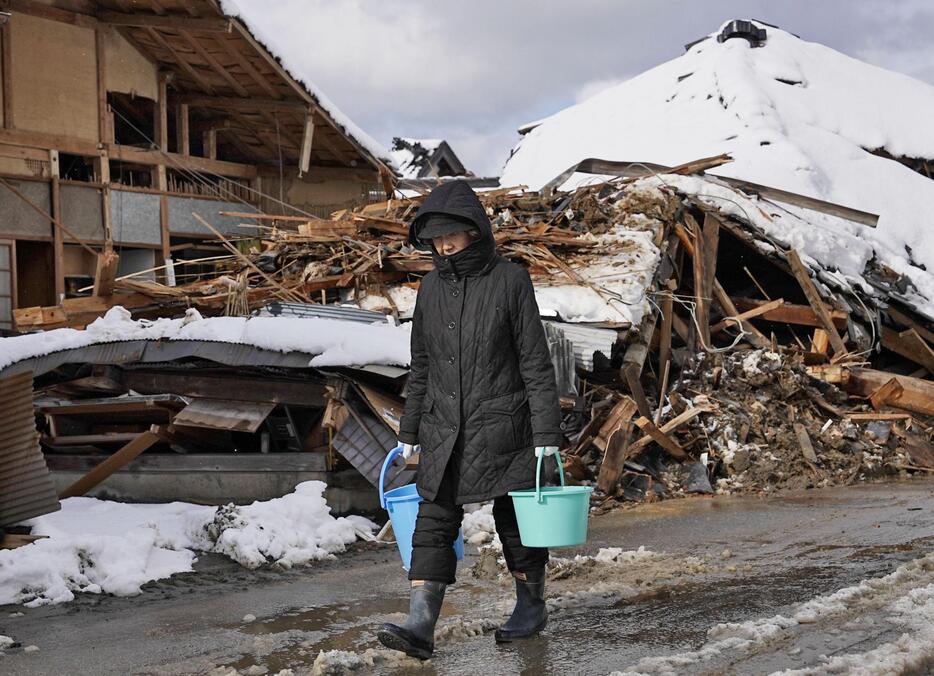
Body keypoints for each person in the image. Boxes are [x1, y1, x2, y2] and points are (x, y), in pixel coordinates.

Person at [376, 181, 563, 660]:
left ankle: (531, 605)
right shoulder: (431, 287)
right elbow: (423, 365)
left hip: (503, 423)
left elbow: (535, 364)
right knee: (433, 519)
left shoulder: (510, 280)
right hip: (444, 426)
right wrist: (410, 431)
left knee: (515, 518)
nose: (443, 246)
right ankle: (420, 623)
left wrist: (545, 435)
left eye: (451, 237)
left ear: (475, 232)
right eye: (436, 239)